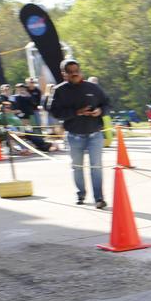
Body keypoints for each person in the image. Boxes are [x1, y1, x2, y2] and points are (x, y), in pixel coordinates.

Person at [49, 59, 111, 208]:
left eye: (76, 70)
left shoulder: (93, 87)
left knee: (96, 167)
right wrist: (76, 112)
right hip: (74, 135)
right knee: (77, 167)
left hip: (95, 134)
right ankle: (81, 194)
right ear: (64, 74)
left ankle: (99, 198)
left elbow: (108, 103)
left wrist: (100, 111)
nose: (74, 73)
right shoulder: (59, 91)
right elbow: (56, 113)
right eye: (70, 71)